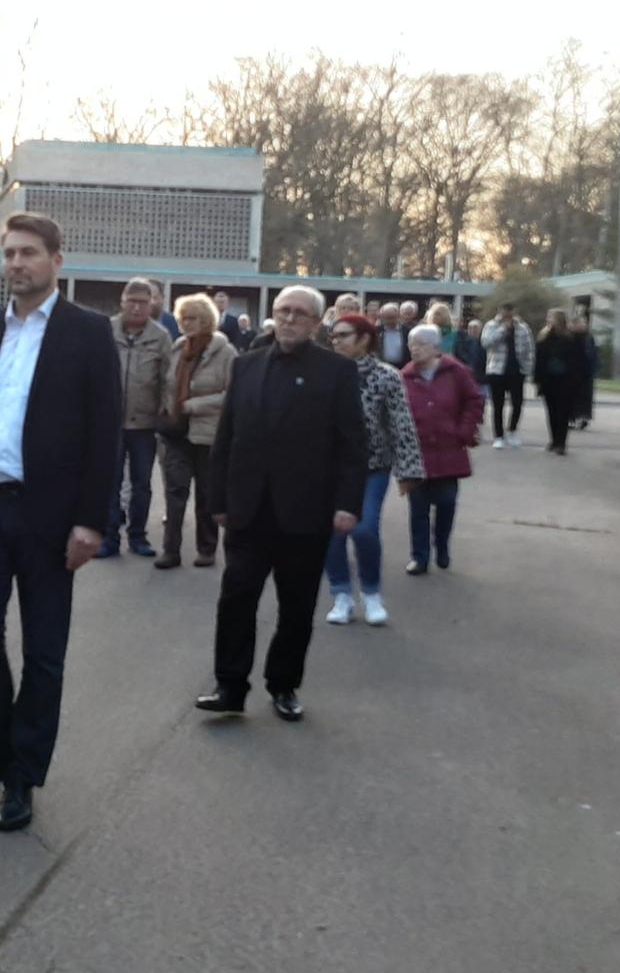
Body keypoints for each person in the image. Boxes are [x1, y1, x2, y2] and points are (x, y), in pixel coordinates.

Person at [0, 212, 120, 832]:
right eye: (9, 254)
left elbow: (104, 434)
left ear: (57, 261)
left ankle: (21, 776)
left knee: (44, 653)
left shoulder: (88, 333)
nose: (16, 264)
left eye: (29, 253)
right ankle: (0, 741)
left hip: (51, 516)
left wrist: (92, 522)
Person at [197, 286, 366, 723]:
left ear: (316, 323)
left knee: (296, 606)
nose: (288, 319)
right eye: (282, 311)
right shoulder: (247, 364)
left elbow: (352, 445)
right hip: (247, 509)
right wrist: (216, 500)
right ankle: (229, 686)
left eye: (299, 313)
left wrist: (348, 503)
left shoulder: (337, 372)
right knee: (236, 598)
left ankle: (284, 684)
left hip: (305, 512)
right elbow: (226, 437)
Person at [322, 313, 425, 627]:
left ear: (364, 339)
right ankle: (341, 594)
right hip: (328, 469)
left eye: (343, 335)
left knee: (364, 528)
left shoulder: (386, 376)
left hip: (373, 467)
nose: (335, 341)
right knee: (332, 534)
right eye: (333, 336)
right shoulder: (324, 373)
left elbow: (401, 425)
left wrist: (408, 471)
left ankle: (371, 593)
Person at [154, 294, 235, 570]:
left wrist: (194, 405)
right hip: (175, 433)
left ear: (207, 320)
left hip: (208, 433)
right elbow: (167, 384)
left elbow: (232, 394)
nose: (187, 323)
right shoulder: (178, 347)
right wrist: (168, 410)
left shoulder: (225, 352)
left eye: (193, 318)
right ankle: (170, 550)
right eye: (183, 318)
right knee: (175, 492)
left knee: (207, 494)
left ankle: (206, 548)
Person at [400, 324, 484, 575]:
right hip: (418, 453)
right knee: (418, 508)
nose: (415, 349)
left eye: (421, 344)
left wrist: (465, 430)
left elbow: (475, 400)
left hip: (450, 449)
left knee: (446, 502)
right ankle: (420, 557)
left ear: (436, 348)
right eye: (412, 344)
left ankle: (443, 545)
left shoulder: (456, 371)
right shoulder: (404, 376)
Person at [100, 278, 175, 559]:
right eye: (132, 301)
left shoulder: (161, 336)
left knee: (142, 484)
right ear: (122, 301)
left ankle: (138, 537)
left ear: (151, 304)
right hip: (110, 422)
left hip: (144, 424)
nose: (137, 307)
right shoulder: (105, 330)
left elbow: (168, 380)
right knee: (110, 482)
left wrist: (163, 413)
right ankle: (109, 539)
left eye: (143, 302)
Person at [533, 308, 590, 456]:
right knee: (551, 412)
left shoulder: (572, 337)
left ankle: (561, 443)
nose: (548, 320)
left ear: (559, 320)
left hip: (566, 382)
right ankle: (554, 440)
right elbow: (539, 359)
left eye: (550, 318)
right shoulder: (544, 337)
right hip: (549, 381)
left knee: (563, 413)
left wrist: (578, 380)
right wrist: (537, 379)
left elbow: (581, 360)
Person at [480, 303, 535, 449]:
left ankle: (512, 430)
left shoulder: (523, 328)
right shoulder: (491, 325)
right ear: (499, 311)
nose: (506, 313)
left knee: (517, 403)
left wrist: (527, 368)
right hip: (496, 370)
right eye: (503, 310)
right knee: (498, 405)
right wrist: (503, 330)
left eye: (509, 310)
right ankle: (498, 436)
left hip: (516, 371)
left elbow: (530, 349)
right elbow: (486, 343)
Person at [571, 314, 599, 429]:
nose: (584, 324)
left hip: (586, 373)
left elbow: (593, 354)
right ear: (575, 324)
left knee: (586, 397)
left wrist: (594, 368)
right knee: (572, 396)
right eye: (581, 322)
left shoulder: (589, 337)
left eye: (585, 322)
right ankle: (571, 418)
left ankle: (584, 417)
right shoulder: (570, 337)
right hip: (573, 372)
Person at [377, 302, 409, 367]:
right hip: (381, 367)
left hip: (402, 367)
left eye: (391, 317)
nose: (389, 321)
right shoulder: (376, 331)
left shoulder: (407, 331)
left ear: (398, 316)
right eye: (386, 318)